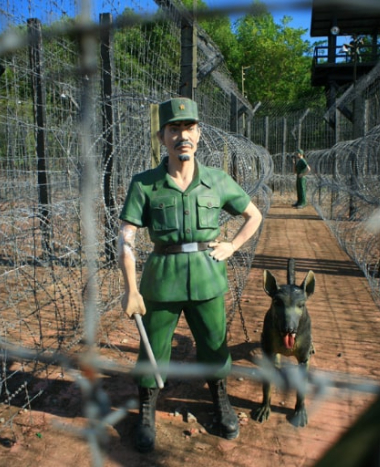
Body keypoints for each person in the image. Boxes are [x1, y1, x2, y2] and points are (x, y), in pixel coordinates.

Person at [117, 97, 263, 453]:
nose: (183, 136)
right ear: (162, 137)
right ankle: (147, 410)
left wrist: (232, 246)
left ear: (198, 135)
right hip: (161, 280)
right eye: (174, 129)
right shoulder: (145, 184)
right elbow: (125, 239)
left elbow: (254, 215)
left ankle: (220, 401)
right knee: (153, 348)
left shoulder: (217, 180)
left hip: (207, 277)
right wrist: (131, 289)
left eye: (189, 128)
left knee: (214, 344)